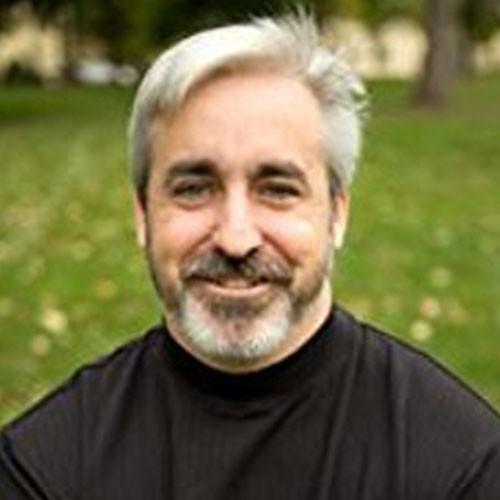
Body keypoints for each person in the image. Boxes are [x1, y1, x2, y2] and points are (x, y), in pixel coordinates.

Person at [1, 12, 499, 500]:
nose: (236, 239)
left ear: (337, 215)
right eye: (194, 189)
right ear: (142, 215)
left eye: (277, 189)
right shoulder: (43, 468)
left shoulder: (459, 465)